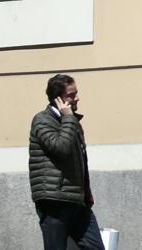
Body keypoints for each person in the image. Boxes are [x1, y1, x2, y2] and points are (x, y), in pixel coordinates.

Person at [28, 74, 103, 250]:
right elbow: (61, 148)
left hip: (77, 200)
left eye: (76, 93)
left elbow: (81, 162)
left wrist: (86, 193)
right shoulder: (42, 120)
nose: (77, 98)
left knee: (95, 246)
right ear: (58, 99)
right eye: (71, 95)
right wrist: (68, 117)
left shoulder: (72, 122)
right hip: (55, 199)